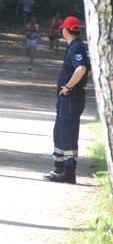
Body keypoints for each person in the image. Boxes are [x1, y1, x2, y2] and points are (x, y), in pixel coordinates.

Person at [44, 16, 91, 184]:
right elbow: (88, 70)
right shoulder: (80, 47)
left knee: (68, 134)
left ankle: (69, 172)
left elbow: (82, 69)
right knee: (60, 132)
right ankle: (59, 168)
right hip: (69, 98)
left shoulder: (75, 48)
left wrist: (69, 87)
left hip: (71, 97)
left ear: (65, 30)